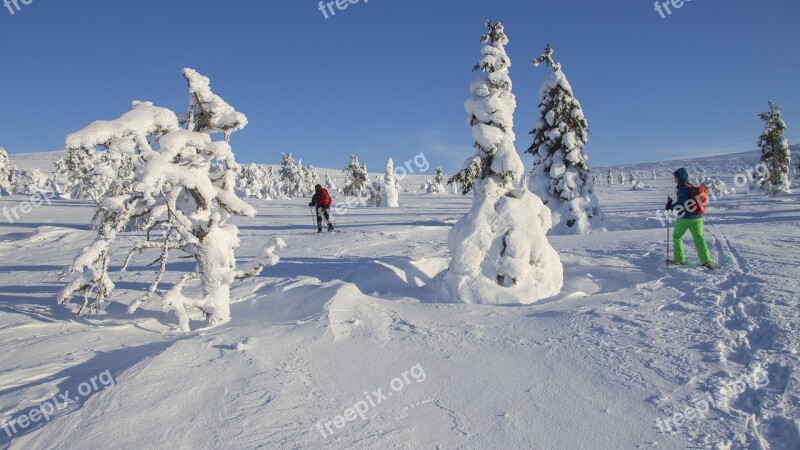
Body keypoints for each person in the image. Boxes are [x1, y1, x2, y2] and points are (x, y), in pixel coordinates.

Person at [666, 168, 713, 269]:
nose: (675, 180)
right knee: (699, 238)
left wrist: (671, 206)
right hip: (698, 218)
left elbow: (682, 205)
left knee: (677, 236)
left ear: (679, 178)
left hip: (685, 218)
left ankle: (679, 260)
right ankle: (706, 261)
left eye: (675, 178)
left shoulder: (682, 188)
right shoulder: (691, 186)